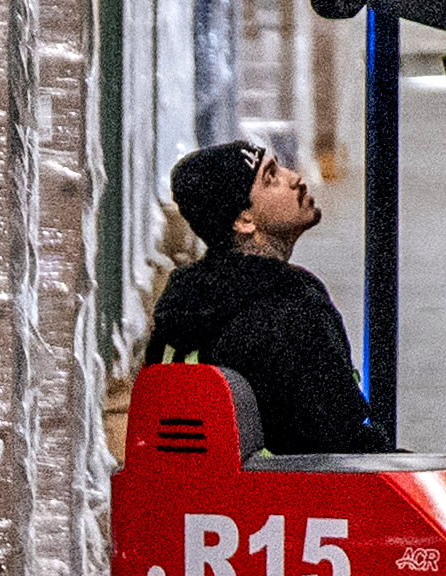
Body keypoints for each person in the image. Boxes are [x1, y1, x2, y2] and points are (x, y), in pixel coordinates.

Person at [137, 134, 387, 459]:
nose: (294, 179)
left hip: (201, 506)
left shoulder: (180, 305)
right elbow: (342, 444)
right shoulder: (291, 305)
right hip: (287, 502)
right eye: (271, 179)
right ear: (244, 220)